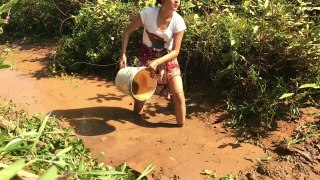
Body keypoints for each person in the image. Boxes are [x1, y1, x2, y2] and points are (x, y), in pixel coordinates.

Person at [120, 0, 186, 127]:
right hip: (147, 58)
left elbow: (176, 51)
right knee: (140, 97)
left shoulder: (178, 21)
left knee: (179, 95)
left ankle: (180, 127)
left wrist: (157, 62)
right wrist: (123, 54)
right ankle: (136, 123)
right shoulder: (148, 13)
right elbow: (127, 31)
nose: (177, 1)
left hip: (167, 58)